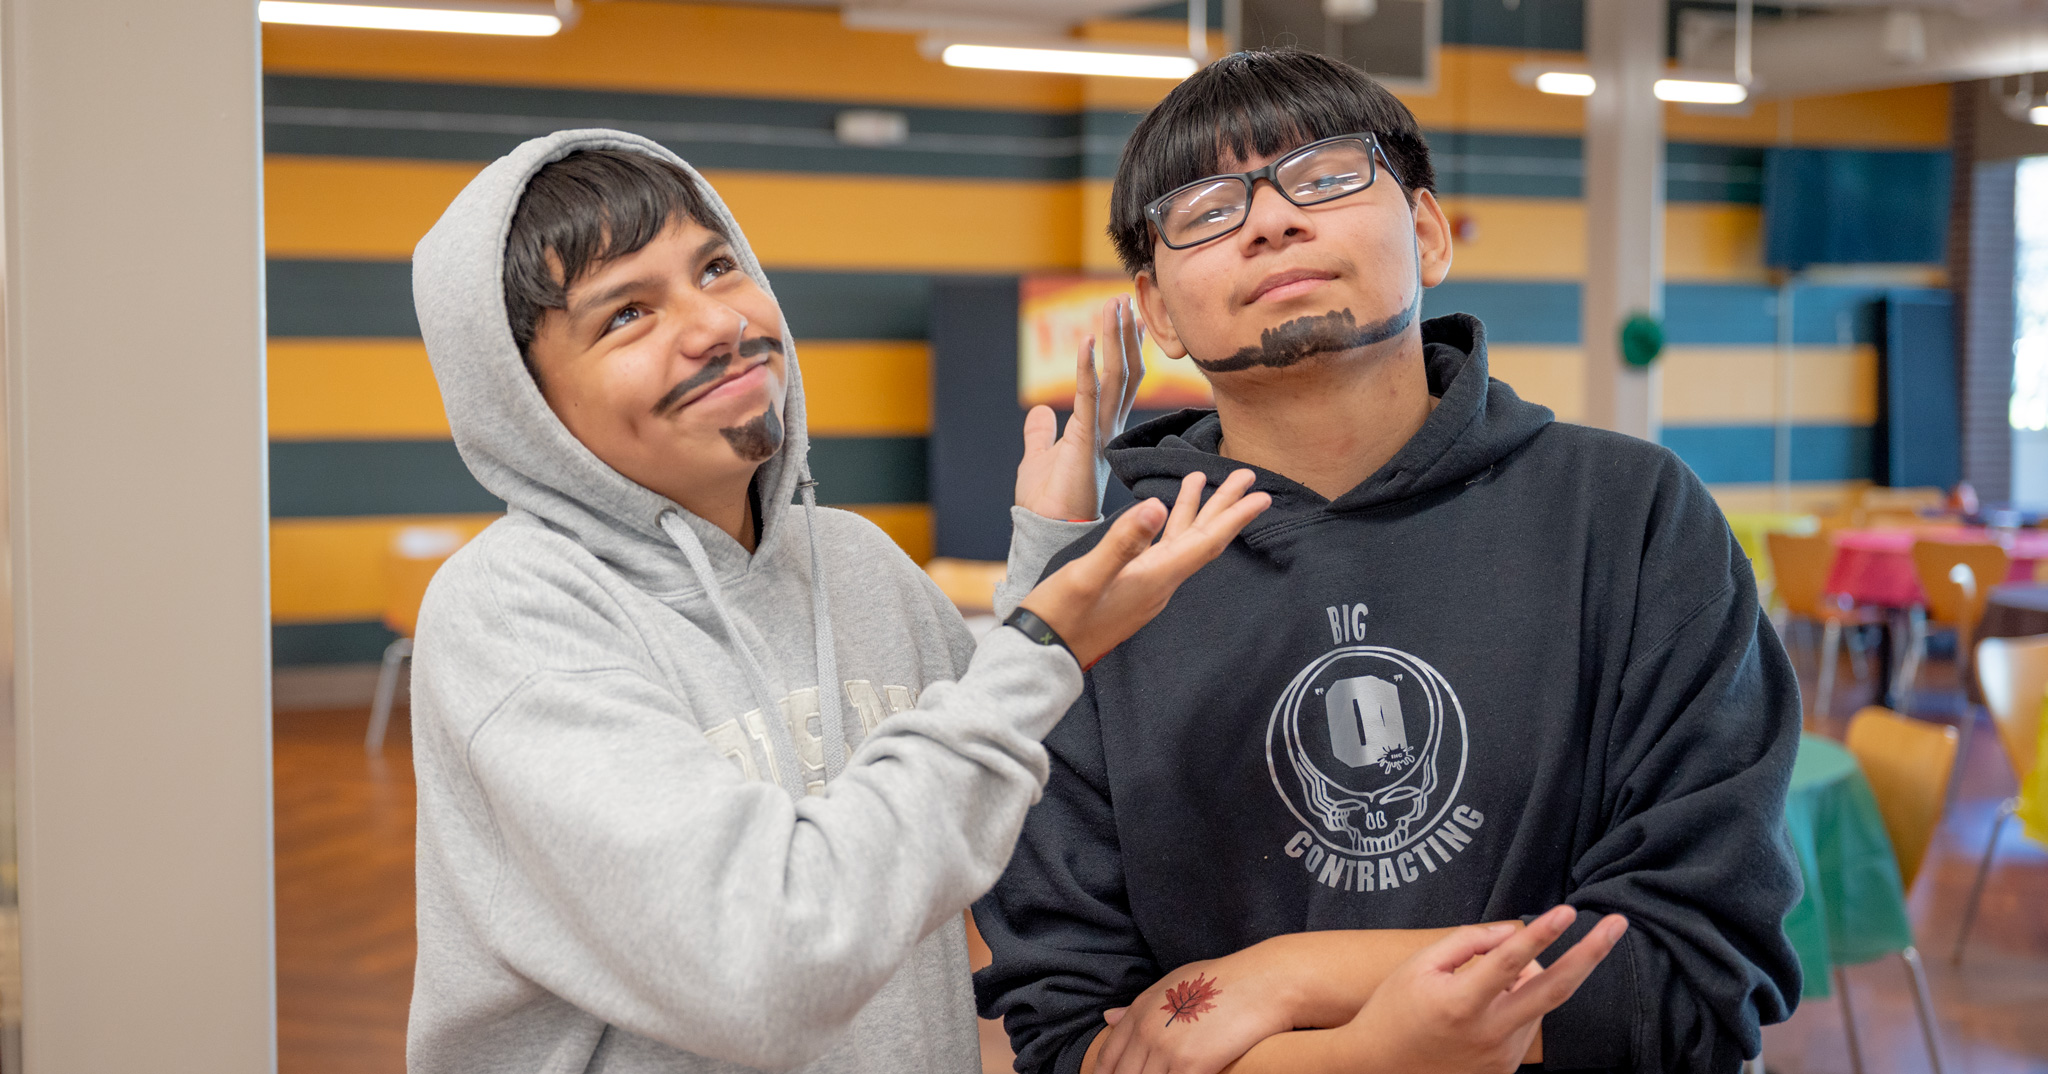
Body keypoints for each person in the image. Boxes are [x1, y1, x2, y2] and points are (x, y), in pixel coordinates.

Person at [973, 48, 1803, 1074]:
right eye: (1207, 210)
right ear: (1157, 313)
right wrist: (1380, 1048)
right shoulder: (1098, 589)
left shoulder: (1632, 517)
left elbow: (1696, 970)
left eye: (1323, 176)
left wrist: (1281, 976)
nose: (1271, 221)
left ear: (1427, 233)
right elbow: (1074, 1036)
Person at [402, 129, 1275, 1073]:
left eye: (718, 267)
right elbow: (768, 969)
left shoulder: (854, 562)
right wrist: (1044, 638)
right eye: (626, 315)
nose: (714, 324)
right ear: (523, 402)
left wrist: (1047, 567)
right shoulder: (511, 613)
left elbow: (988, 787)